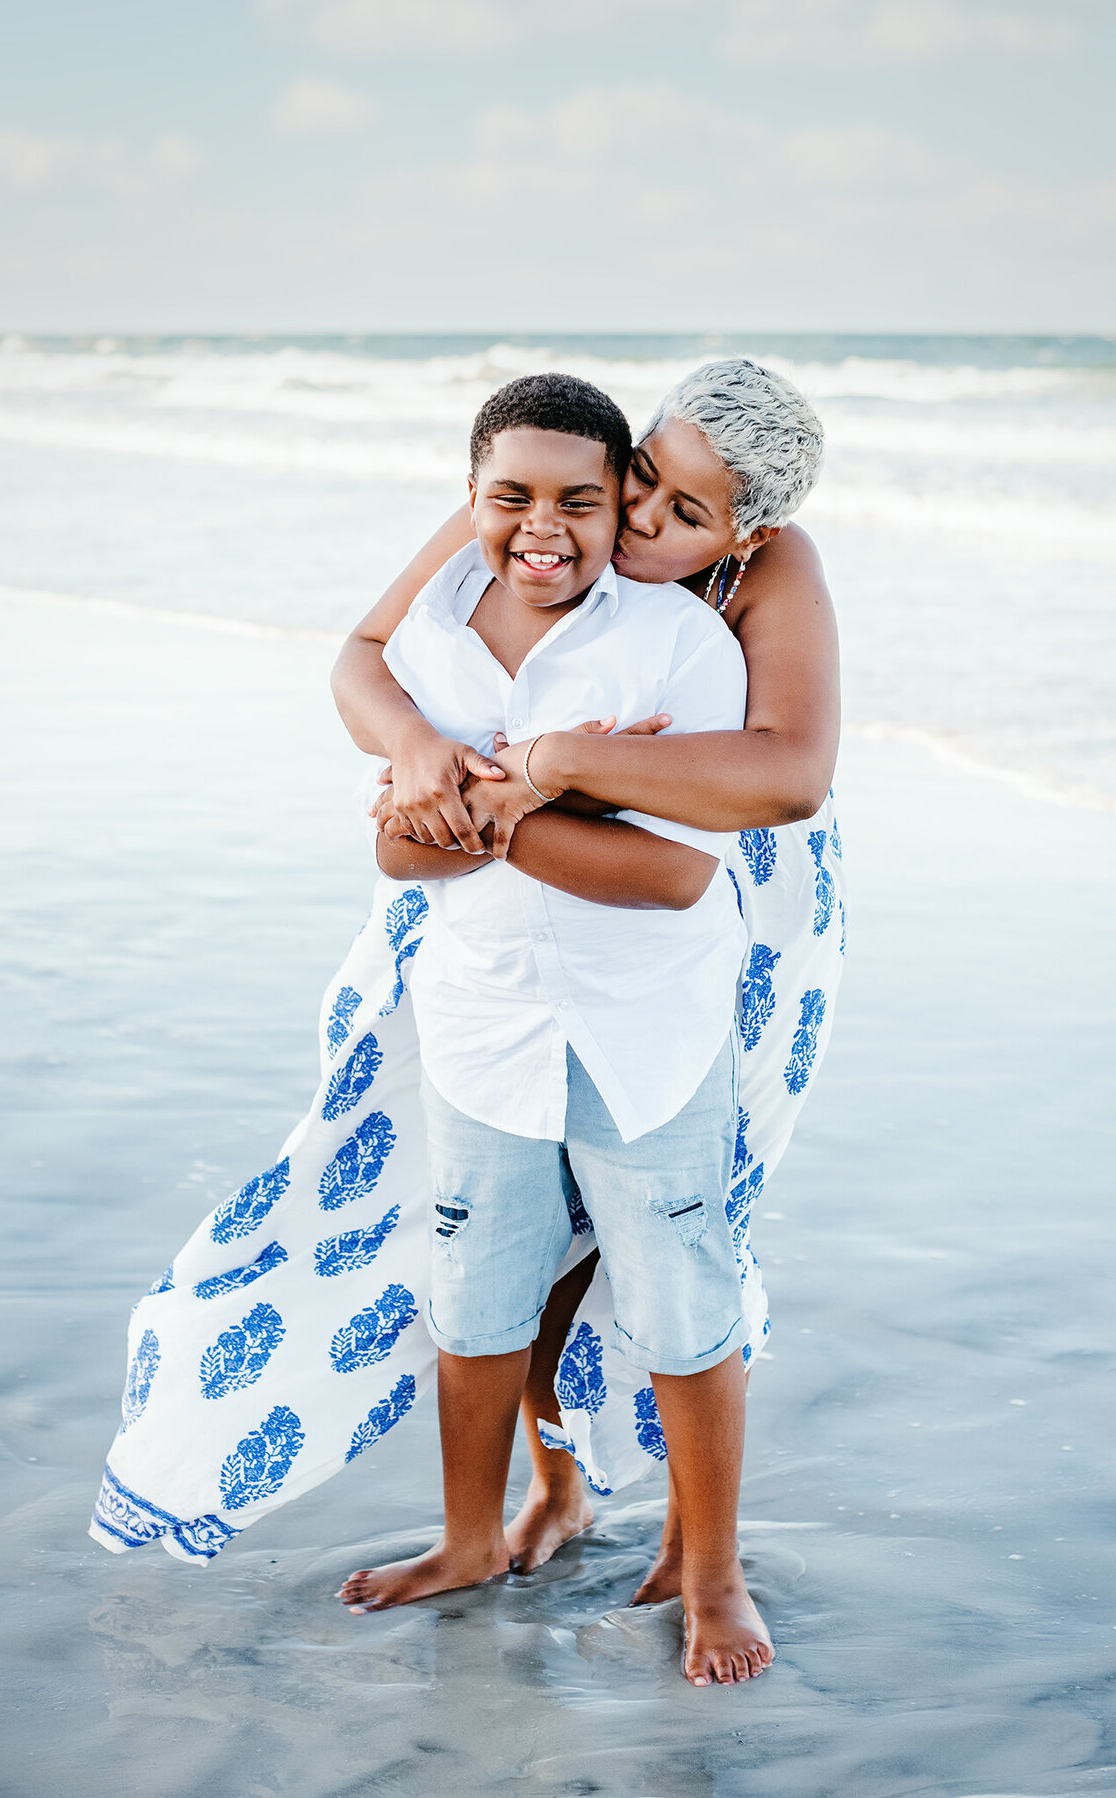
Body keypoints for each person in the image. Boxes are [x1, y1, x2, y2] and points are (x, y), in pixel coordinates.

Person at [89, 358, 844, 1691]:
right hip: (497, 935)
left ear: (751, 532)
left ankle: (703, 1548)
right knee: (509, 1246)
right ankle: (533, 1505)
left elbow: (775, 784)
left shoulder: (751, 598)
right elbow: (369, 658)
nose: (637, 514)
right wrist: (433, 769)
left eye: (677, 509)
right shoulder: (538, 513)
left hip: (724, 883)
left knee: (677, 1242)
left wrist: (534, 779)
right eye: (639, 480)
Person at [336, 373, 759, 1690]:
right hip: (485, 1022)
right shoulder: (436, 641)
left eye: (582, 499)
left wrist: (500, 814)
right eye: (512, 495)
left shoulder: (680, 648)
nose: (545, 526)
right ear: (469, 500)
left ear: (619, 501)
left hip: (651, 1026)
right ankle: (470, 1533)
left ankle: (714, 1571)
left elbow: (679, 873)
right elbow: (404, 859)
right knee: (477, 1285)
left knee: (682, 1287)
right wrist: (458, 797)